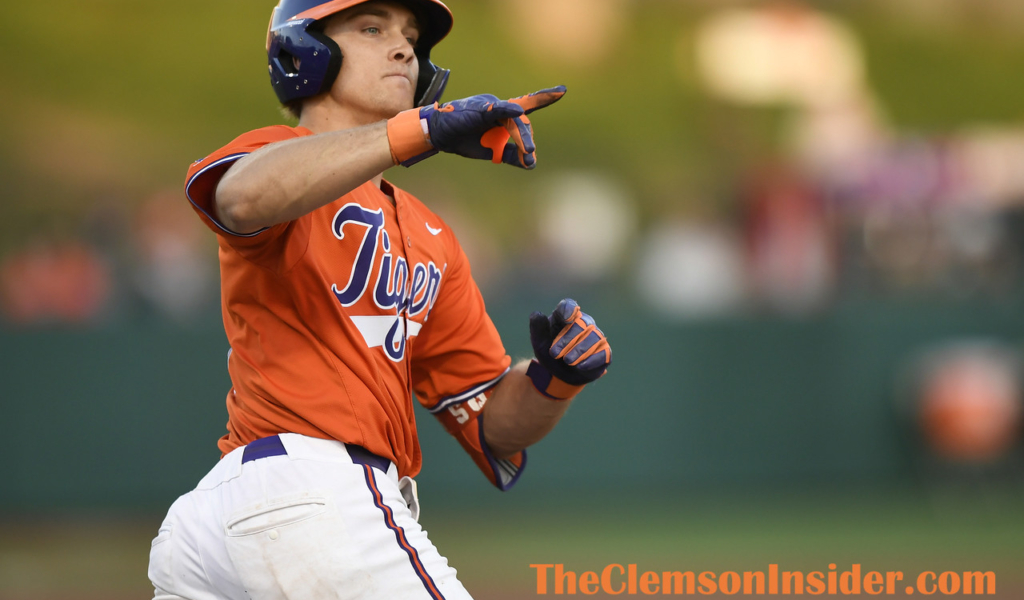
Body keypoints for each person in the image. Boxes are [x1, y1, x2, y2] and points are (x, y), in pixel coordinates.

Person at [147, 0, 612, 598]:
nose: (403, 49)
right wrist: (418, 131)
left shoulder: (433, 236)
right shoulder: (275, 153)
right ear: (305, 52)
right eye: (372, 28)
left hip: (238, 518)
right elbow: (241, 198)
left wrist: (554, 378)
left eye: (411, 38)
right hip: (309, 491)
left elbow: (494, 425)